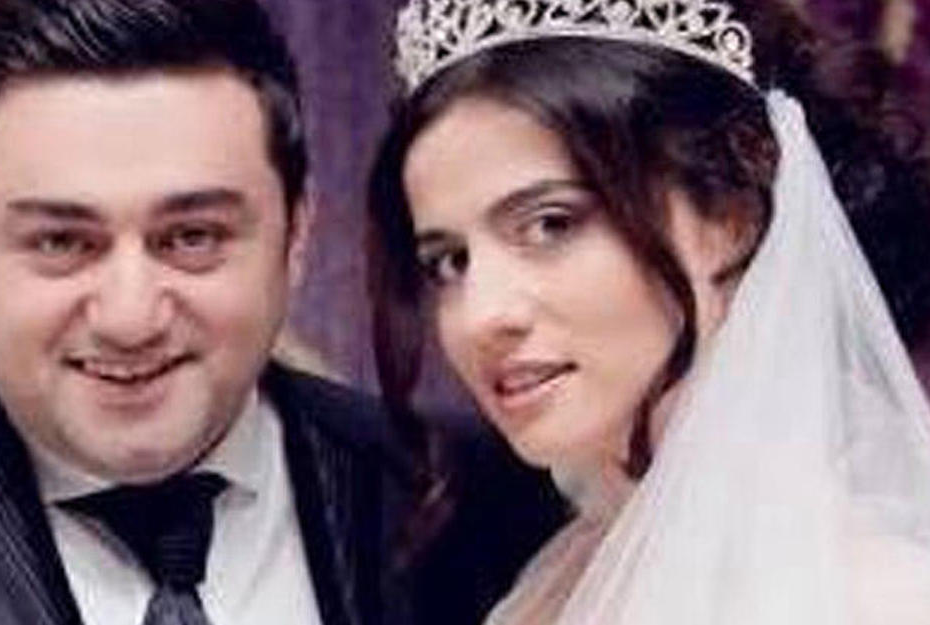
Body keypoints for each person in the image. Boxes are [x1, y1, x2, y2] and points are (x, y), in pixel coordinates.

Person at [0, 1, 565, 624]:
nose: (130, 317)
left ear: (296, 234)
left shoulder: (491, 497)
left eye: (192, 237)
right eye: (62, 242)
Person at [368, 0, 930, 622]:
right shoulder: (561, 588)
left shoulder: (876, 598)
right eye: (449, 262)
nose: (481, 317)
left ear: (732, 214)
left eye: (550, 224)